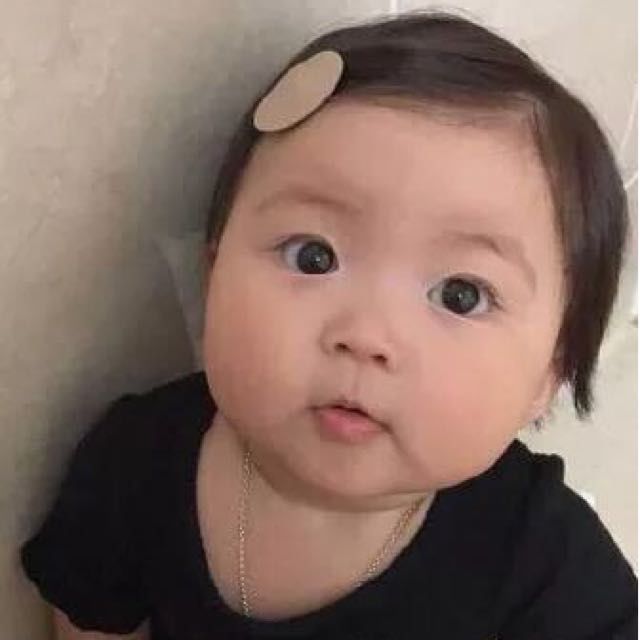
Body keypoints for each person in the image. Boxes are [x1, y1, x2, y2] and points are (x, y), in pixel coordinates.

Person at [20, 10, 637, 640]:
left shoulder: (548, 573)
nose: (366, 335)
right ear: (214, 274)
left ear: (550, 374)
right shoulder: (136, 464)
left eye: (461, 295)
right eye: (313, 257)